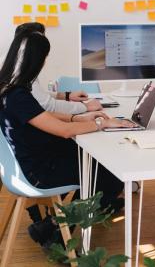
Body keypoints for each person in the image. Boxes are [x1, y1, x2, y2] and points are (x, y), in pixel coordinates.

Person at [0, 29, 135, 248]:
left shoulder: (9, 89)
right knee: (108, 175)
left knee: (98, 166)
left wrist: (79, 117)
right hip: (37, 171)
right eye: (44, 59)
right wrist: (102, 123)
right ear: (36, 61)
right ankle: (56, 233)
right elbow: (63, 131)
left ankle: (54, 225)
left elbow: (43, 117)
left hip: (32, 159)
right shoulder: (19, 96)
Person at [13, 22, 102, 114]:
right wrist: (85, 106)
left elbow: (36, 95)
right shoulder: (22, 71)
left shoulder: (18, 63)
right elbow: (48, 106)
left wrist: (67, 95)